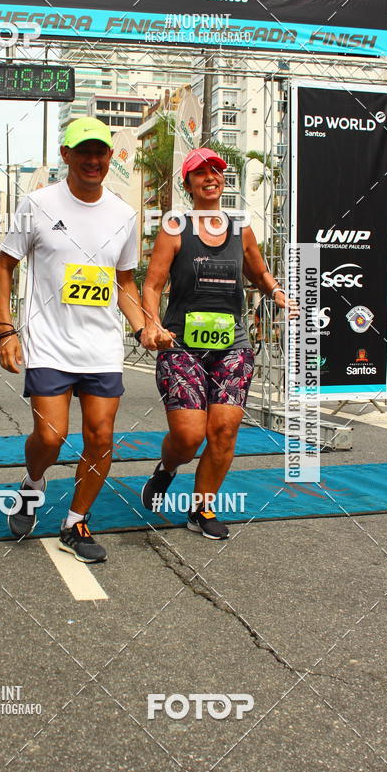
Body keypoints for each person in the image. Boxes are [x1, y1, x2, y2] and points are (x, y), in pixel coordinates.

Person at [0, 116, 165, 563]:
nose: (92, 159)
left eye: (101, 152)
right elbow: (3, 266)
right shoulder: (37, 203)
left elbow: (124, 280)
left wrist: (144, 323)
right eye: (83, 151)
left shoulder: (124, 213)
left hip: (101, 346)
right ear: (66, 155)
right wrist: (6, 329)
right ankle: (32, 484)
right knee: (50, 438)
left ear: (110, 157)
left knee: (101, 437)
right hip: (49, 342)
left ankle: (75, 520)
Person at [141, 147, 297, 540]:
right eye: (201, 173)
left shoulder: (240, 227)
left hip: (233, 344)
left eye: (216, 172)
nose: (211, 178)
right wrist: (151, 324)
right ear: (188, 183)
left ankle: (202, 509)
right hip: (180, 344)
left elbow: (259, 271)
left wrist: (277, 292)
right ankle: (167, 468)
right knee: (189, 436)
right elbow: (153, 284)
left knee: (225, 429)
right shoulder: (175, 227)